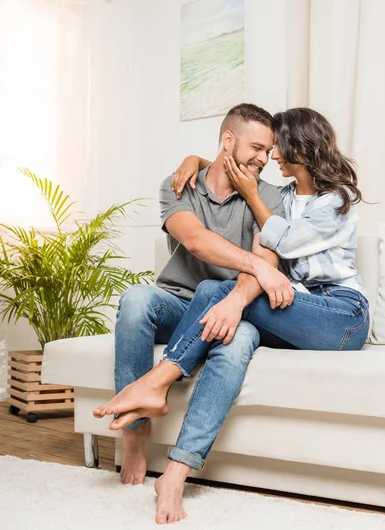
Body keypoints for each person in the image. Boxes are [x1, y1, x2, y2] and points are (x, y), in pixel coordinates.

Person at [95, 107, 369, 524]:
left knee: (214, 292)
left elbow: (287, 243)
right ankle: (169, 470)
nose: (270, 158)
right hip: (289, 306)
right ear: (229, 143)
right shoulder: (284, 194)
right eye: (262, 149)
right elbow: (206, 227)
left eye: (275, 149)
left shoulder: (332, 200)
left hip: (338, 311)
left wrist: (249, 279)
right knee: (166, 302)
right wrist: (197, 160)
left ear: (299, 148)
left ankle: (156, 383)